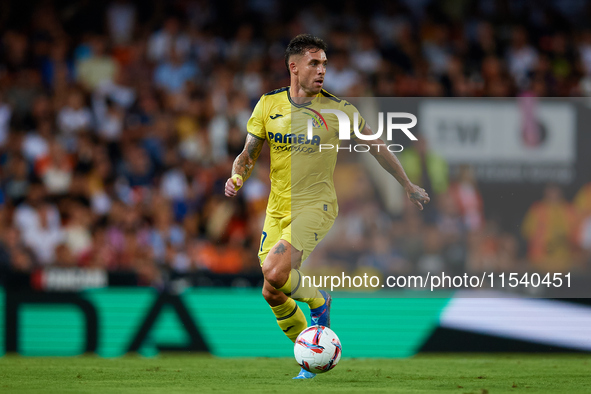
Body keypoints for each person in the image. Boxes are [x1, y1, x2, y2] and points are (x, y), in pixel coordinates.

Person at [224, 34, 429, 379]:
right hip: (278, 209)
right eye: (314, 63)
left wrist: (407, 184)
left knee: (276, 272)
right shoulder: (267, 105)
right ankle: (309, 362)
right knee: (272, 292)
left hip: (316, 205)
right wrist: (236, 177)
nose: (322, 71)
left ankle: (320, 301)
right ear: (294, 67)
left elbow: (377, 146)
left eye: (324, 64)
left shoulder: (339, 110)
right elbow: (247, 155)